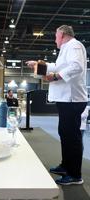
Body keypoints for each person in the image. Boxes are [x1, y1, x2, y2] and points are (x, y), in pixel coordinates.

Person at [26, 25, 88, 185]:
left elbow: (77, 67)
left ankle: (75, 175)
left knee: (71, 137)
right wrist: (38, 65)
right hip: (66, 99)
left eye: (55, 36)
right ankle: (66, 166)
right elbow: (57, 66)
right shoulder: (66, 48)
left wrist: (55, 77)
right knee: (65, 134)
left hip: (72, 99)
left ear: (61, 34)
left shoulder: (74, 45)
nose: (54, 40)